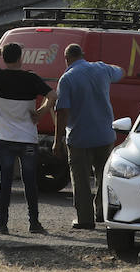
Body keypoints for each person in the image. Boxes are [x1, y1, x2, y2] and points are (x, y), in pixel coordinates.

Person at [0, 43, 57, 234]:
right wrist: (42, 110)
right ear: (21, 58)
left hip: (4, 139)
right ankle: (34, 223)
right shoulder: (31, 78)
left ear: (4, 58)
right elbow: (53, 95)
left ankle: (2, 224)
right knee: (30, 181)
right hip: (27, 138)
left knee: (4, 181)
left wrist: (0, 50)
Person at [52, 43, 124, 230]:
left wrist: (57, 141)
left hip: (79, 137)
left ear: (66, 59)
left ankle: (85, 219)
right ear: (83, 55)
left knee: (81, 179)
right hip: (105, 135)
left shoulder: (66, 79)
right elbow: (120, 71)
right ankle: (102, 212)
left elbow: (62, 111)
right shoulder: (101, 68)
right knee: (104, 176)